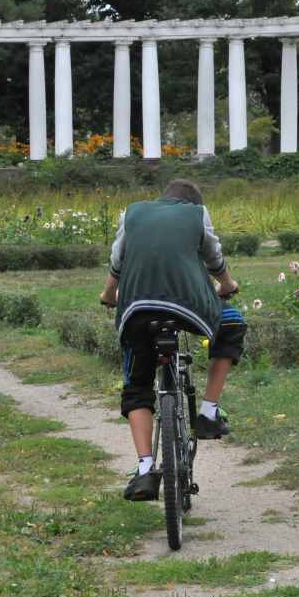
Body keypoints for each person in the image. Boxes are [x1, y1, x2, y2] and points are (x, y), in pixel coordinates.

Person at [99, 179, 246, 501]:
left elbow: (117, 262)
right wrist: (227, 284)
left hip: (136, 307)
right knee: (233, 322)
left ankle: (144, 469)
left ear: (163, 198)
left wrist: (109, 295)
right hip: (188, 305)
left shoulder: (133, 214)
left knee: (137, 384)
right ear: (193, 203)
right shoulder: (197, 214)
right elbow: (214, 258)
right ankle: (208, 411)